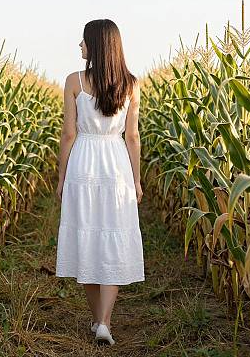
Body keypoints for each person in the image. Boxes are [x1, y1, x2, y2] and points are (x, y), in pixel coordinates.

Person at [54, 19, 145, 345]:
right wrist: (136, 180)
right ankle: (104, 321)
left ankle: (97, 319)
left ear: (96, 46)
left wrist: (62, 177)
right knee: (112, 238)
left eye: (84, 41)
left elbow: (68, 134)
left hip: (84, 162)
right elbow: (132, 137)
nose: (79, 46)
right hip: (116, 163)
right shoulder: (132, 85)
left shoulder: (74, 81)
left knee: (86, 238)